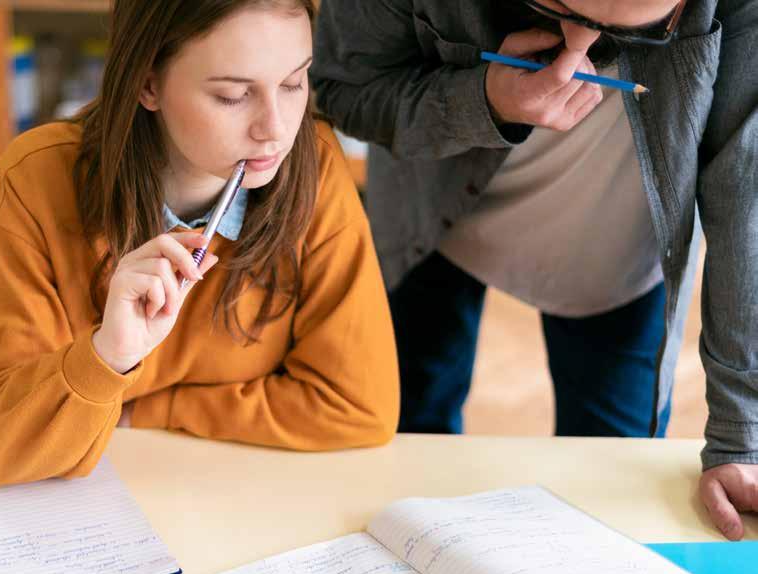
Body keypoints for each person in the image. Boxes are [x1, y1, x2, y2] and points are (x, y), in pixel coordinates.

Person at [310, 0, 758, 539]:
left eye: (631, 33)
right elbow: (343, 90)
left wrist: (742, 434)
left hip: (618, 261)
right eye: (556, 7)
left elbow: (747, 195)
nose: (576, 52)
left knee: (607, 501)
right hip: (428, 225)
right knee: (406, 440)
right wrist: (484, 100)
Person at [0, 0, 399, 487]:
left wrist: (150, 406)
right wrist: (107, 357)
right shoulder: (38, 176)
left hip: (227, 495)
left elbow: (359, 407)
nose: (276, 128)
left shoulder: (317, 166)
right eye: (232, 95)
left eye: (294, 83)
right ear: (148, 83)